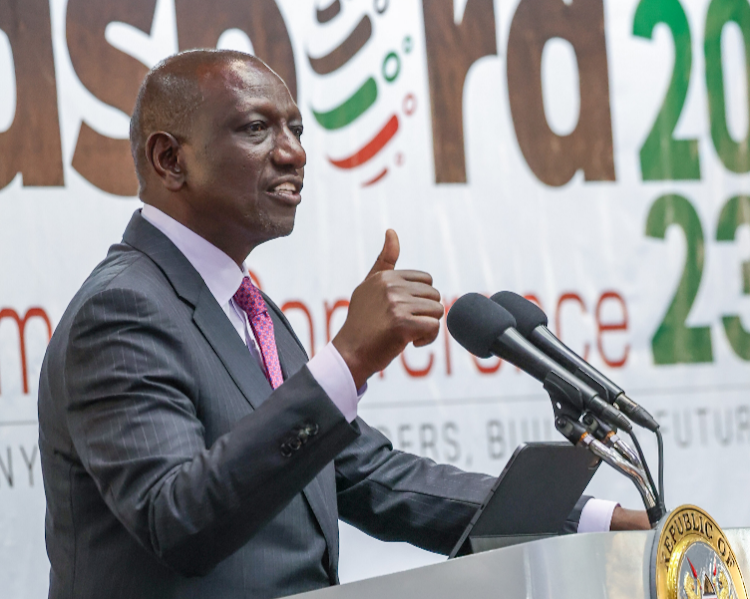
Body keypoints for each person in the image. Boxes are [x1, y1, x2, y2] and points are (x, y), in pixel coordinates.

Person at [38, 50, 648, 599]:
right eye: (257, 128)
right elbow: (178, 521)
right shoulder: (120, 311)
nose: (293, 152)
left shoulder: (244, 306)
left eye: (296, 130)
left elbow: (365, 474)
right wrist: (348, 359)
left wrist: (590, 519)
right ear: (170, 159)